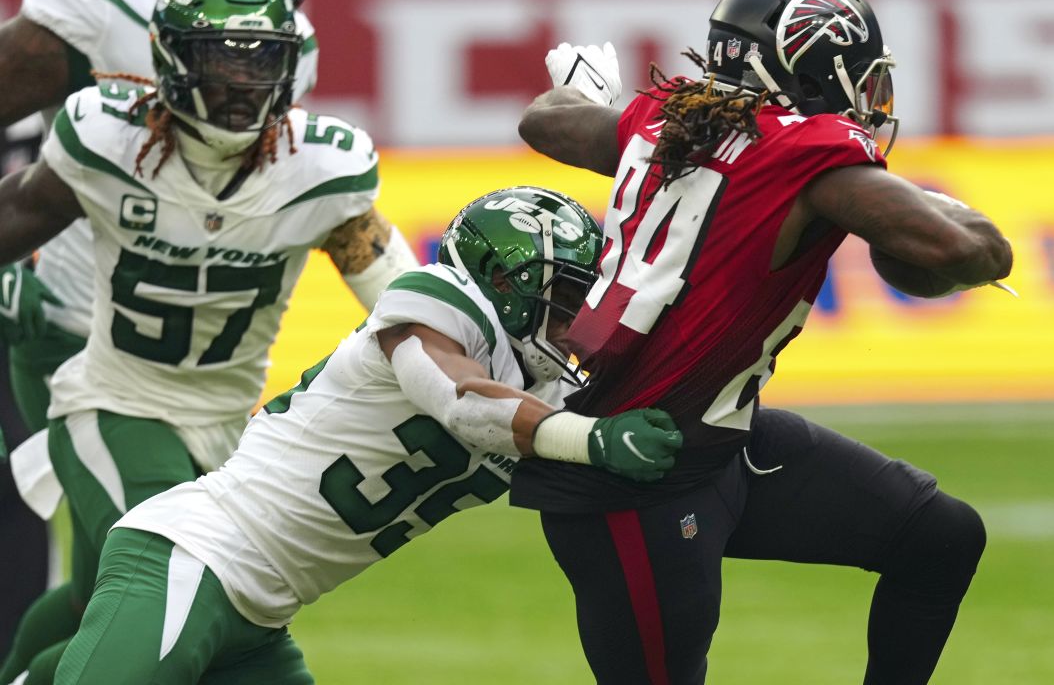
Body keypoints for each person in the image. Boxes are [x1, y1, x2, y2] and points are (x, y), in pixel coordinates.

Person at [512, 0, 1014, 684]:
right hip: (629, 476)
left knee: (938, 536)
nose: (869, 95)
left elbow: (547, 122)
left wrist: (589, 90)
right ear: (811, 63)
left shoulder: (663, 119)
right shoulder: (806, 156)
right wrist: (910, 199)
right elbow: (964, 251)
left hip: (716, 441)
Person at [50, 186, 682, 684]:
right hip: (192, 559)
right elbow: (462, 401)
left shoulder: (549, 394)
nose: (579, 320)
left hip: (262, 615)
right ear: (506, 284)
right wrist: (589, 439)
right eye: (566, 297)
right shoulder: (436, 301)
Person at [0, 0, 413, 682]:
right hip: (112, 399)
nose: (243, 80)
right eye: (221, 57)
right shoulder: (105, 134)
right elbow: (18, 211)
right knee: (182, 583)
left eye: (262, 59)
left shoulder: (322, 166)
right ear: (167, 60)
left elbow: (405, 296)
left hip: (228, 425)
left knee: (93, 598)